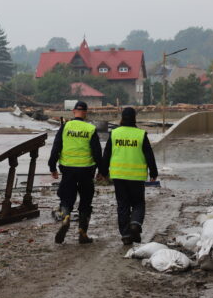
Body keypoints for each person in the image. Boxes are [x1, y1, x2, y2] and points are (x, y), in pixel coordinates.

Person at [100, 107, 158, 245]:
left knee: (123, 205)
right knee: (138, 203)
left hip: (119, 176)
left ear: (122, 117)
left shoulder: (114, 134)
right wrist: (153, 172)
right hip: (136, 176)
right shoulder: (141, 134)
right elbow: (149, 155)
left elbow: (107, 154)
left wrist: (102, 172)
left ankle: (126, 235)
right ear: (134, 118)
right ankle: (135, 223)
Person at [48, 101, 102, 244]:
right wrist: (102, 171)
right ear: (85, 112)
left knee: (66, 197)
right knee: (85, 201)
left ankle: (66, 216)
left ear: (73, 111)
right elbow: (97, 152)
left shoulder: (65, 127)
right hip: (86, 170)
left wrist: (52, 167)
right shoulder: (90, 129)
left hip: (68, 169)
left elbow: (56, 147)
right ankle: (82, 232)